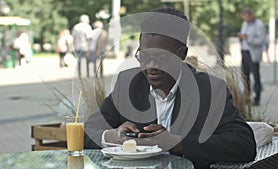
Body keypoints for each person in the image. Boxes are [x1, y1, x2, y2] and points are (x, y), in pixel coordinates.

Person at [85, 7, 256, 168]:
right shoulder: (129, 83)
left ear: (182, 54)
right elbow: (88, 132)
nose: (150, 66)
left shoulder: (209, 89)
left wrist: (178, 143)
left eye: (161, 57)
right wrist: (113, 136)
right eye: (144, 56)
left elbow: (244, 144)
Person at [237, 7, 266, 106]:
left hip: (253, 53)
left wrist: (248, 39)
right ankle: (247, 97)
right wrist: (241, 38)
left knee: (255, 75)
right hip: (244, 51)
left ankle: (257, 98)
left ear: (251, 16)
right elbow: (243, 37)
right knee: (245, 76)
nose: (245, 20)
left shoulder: (259, 25)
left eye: (246, 18)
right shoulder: (244, 24)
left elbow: (261, 41)